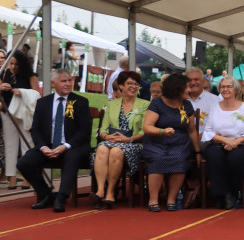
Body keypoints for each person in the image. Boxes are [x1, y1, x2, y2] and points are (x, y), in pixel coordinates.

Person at [18, 69, 92, 212]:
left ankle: (61, 197)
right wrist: (42, 147)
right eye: (63, 81)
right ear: (53, 83)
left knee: (72, 156)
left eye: (69, 80)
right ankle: (47, 194)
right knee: (24, 163)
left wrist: (65, 146)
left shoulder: (80, 102)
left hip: (73, 146)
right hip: (49, 146)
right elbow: (35, 129)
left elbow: (84, 130)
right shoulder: (43, 103)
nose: (68, 84)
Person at [142, 73, 200, 212]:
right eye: (186, 87)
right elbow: (147, 127)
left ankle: (171, 199)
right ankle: (153, 199)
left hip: (179, 142)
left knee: (179, 158)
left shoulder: (186, 105)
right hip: (157, 140)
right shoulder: (157, 103)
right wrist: (162, 131)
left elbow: (192, 131)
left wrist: (198, 151)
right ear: (176, 88)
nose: (189, 90)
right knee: (158, 158)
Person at [93, 70, 148, 208]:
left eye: (136, 84)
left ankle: (111, 191)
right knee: (102, 148)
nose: (133, 87)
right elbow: (103, 130)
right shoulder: (112, 105)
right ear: (121, 86)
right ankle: (100, 190)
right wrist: (107, 136)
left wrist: (128, 139)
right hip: (111, 140)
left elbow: (145, 131)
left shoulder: (145, 105)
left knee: (116, 151)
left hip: (133, 143)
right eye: (130, 83)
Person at [201, 76, 244, 210]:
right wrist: (226, 140)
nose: (225, 89)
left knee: (235, 158)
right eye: (223, 87)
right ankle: (221, 194)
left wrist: (235, 142)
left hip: (242, 143)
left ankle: (231, 193)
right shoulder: (214, 107)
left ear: (236, 90)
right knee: (214, 156)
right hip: (219, 142)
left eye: (229, 86)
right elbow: (208, 132)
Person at [2, 49, 39, 189]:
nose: (12, 67)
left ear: (22, 64)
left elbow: (37, 94)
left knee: (27, 144)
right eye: (10, 63)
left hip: (24, 114)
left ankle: (26, 177)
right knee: (10, 145)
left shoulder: (30, 76)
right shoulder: (5, 74)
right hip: (7, 112)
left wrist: (22, 92)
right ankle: (11, 177)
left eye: (16, 64)